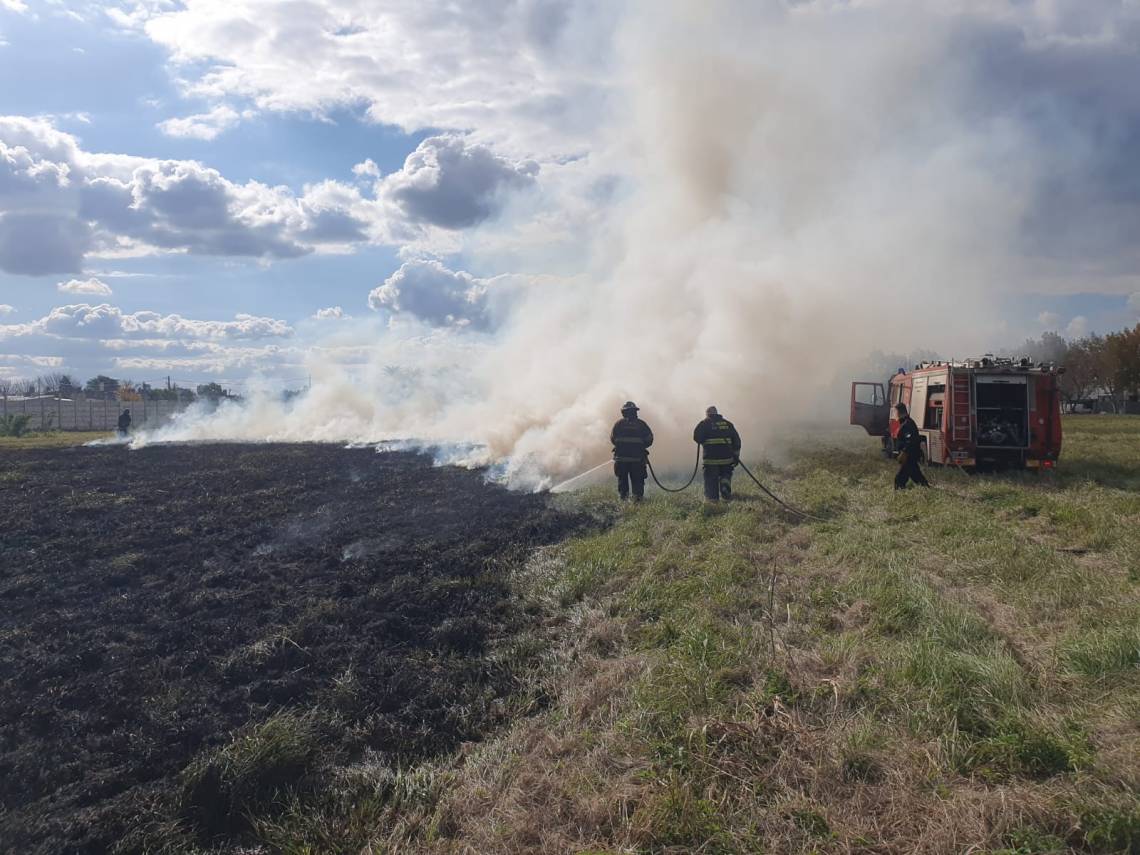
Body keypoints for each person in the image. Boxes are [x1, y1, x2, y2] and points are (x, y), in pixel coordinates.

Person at [693, 406, 741, 501]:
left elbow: (697, 438)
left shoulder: (704, 423)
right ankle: (724, 487)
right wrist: (736, 456)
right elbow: (737, 442)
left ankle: (712, 500)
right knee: (726, 474)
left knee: (711, 479)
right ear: (717, 413)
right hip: (727, 459)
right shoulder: (728, 424)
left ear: (707, 414)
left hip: (711, 460)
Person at [610, 401, 653, 501]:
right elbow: (649, 439)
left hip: (621, 460)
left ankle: (624, 501)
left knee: (622, 482)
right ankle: (637, 501)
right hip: (637, 460)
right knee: (637, 482)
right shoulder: (641, 425)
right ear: (635, 412)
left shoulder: (618, 424)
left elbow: (613, 439)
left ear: (623, 413)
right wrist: (641, 447)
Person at [894, 403, 929, 489]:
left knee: (899, 480)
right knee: (916, 475)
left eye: (894, 412)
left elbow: (910, 441)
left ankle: (900, 492)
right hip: (910, 457)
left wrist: (904, 452)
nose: (894, 414)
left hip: (909, 456)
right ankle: (925, 487)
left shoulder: (907, 424)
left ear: (898, 412)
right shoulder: (906, 423)